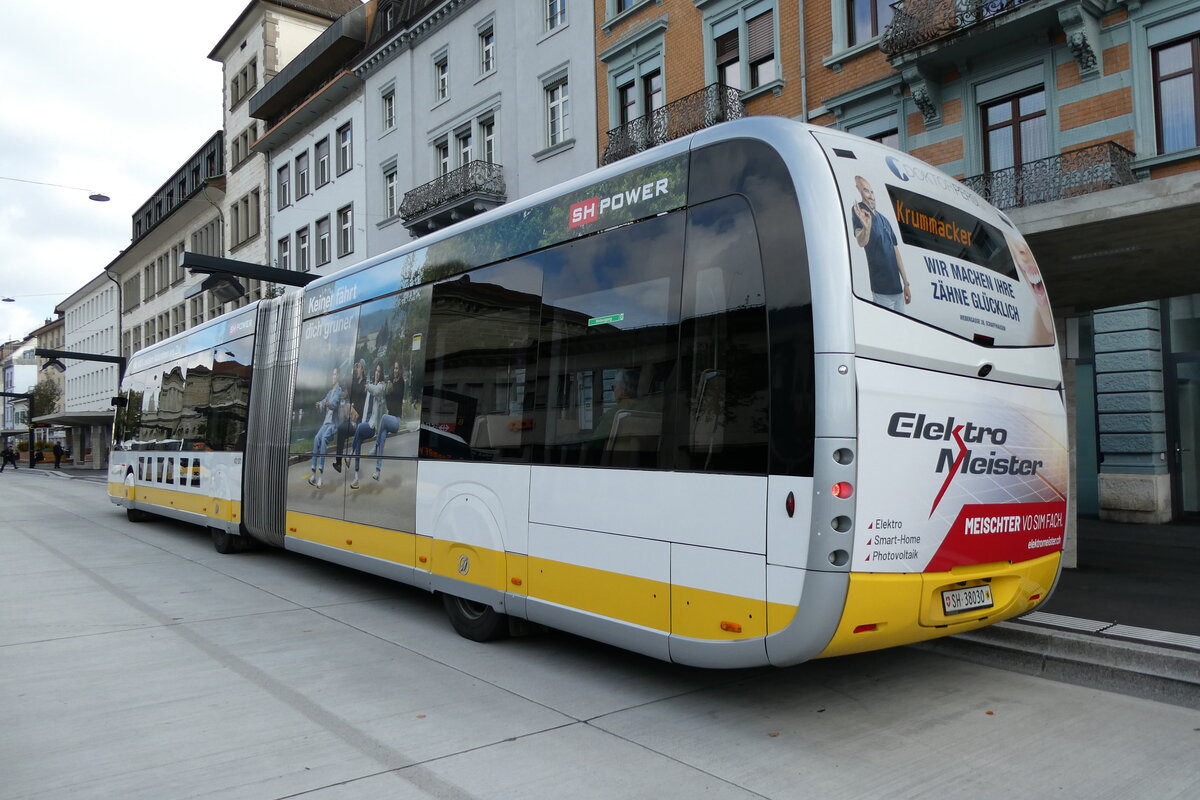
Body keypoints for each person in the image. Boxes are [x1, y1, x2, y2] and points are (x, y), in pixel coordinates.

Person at [851, 175, 911, 312]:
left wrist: (906, 283)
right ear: (858, 190)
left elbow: (896, 252)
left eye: (872, 192)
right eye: (866, 191)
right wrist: (866, 228)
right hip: (882, 291)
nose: (871, 196)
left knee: (900, 330)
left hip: (898, 291)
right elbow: (861, 242)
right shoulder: (860, 211)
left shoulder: (884, 220)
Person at [349, 361, 389, 489]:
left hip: (372, 427)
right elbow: (365, 406)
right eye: (375, 371)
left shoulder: (381, 387)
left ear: (381, 374)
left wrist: (368, 387)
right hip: (365, 422)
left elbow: (376, 391)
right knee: (359, 440)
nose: (377, 374)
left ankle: (350, 453)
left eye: (379, 372)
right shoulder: (370, 386)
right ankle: (356, 477)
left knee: (360, 430)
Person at [308, 367, 343, 488]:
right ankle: (313, 474)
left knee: (323, 441)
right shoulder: (329, 392)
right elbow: (324, 401)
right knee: (317, 438)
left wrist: (326, 403)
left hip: (333, 425)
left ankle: (321, 477)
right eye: (332, 375)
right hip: (325, 423)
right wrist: (319, 404)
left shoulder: (339, 391)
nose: (332, 377)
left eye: (334, 375)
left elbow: (333, 404)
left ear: (338, 376)